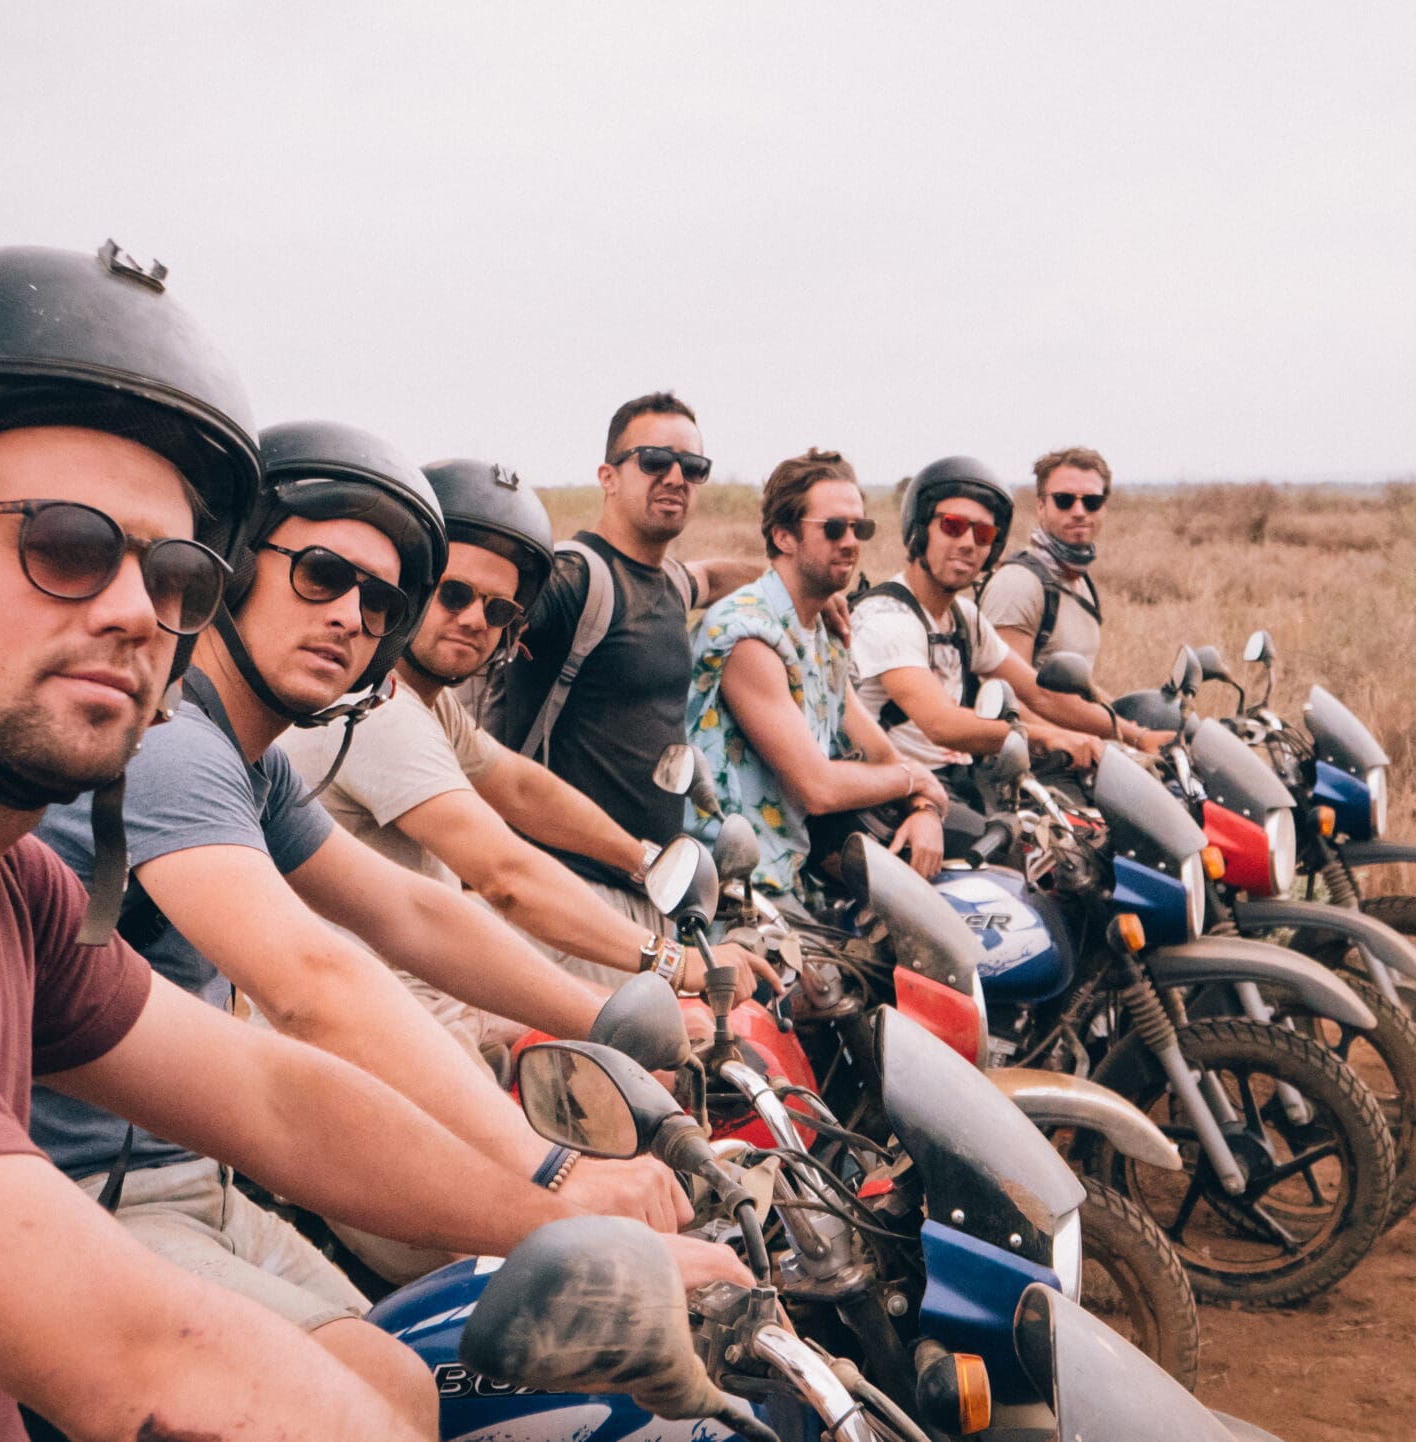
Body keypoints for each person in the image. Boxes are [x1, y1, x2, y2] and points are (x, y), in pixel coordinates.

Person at [0, 243, 737, 1442]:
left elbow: (268, 1092)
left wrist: (551, 1212)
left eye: (177, 569)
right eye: (68, 545)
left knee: (400, 1376)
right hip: (116, 1231)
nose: (138, 609)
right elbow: (158, 1362)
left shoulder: (6, 879)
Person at [28, 423, 702, 1334]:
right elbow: (314, 985)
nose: (350, 614)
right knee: (419, 1385)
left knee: (436, 1374)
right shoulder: (177, 747)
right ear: (234, 568)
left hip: (201, 1181)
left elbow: (414, 915)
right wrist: (557, 1174)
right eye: (321, 575)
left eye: (380, 599)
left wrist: (611, 1015)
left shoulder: (252, 758)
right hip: (93, 1200)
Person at [278, 457, 768, 1077]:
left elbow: (518, 786)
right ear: (410, 585)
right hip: (384, 1048)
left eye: (500, 610)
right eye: (454, 594)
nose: (475, 620)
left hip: (436, 1012)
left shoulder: (424, 701)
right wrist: (669, 962)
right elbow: (506, 877)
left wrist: (643, 860)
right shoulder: (375, 710)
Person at [475, 392, 763, 984]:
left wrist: (791, 590)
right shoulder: (577, 578)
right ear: (608, 476)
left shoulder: (667, 585)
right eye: (655, 460)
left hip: (646, 896)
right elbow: (500, 611)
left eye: (694, 467)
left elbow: (708, 576)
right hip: (568, 895)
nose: (677, 477)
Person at [682, 448, 949, 893]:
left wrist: (922, 808)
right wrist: (915, 779)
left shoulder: (818, 632)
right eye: (833, 528)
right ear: (784, 536)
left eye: (859, 527)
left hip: (786, 872)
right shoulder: (750, 634)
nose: (850, 542)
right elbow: (818, 788)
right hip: (728, 887)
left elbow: (879, 753)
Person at [849, 455, 1160, 803]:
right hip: (894, 793)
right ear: (921, 529)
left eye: (983, 533)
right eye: (952, 526)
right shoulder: (888, 617)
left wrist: (1134, 735)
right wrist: (1046, 737)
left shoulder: (964, 618)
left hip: (957, 782)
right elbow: (941, 724)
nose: (968, 542)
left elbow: (1039, 692)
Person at [980, 446, 1113, 674]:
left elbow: (1082, 688)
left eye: (1092, 502)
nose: (1079, 511)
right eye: (1064, 500)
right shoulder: (1017, 585)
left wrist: (1114, 711)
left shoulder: (1081, 580)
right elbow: (1010, 700)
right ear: (1041, 506)